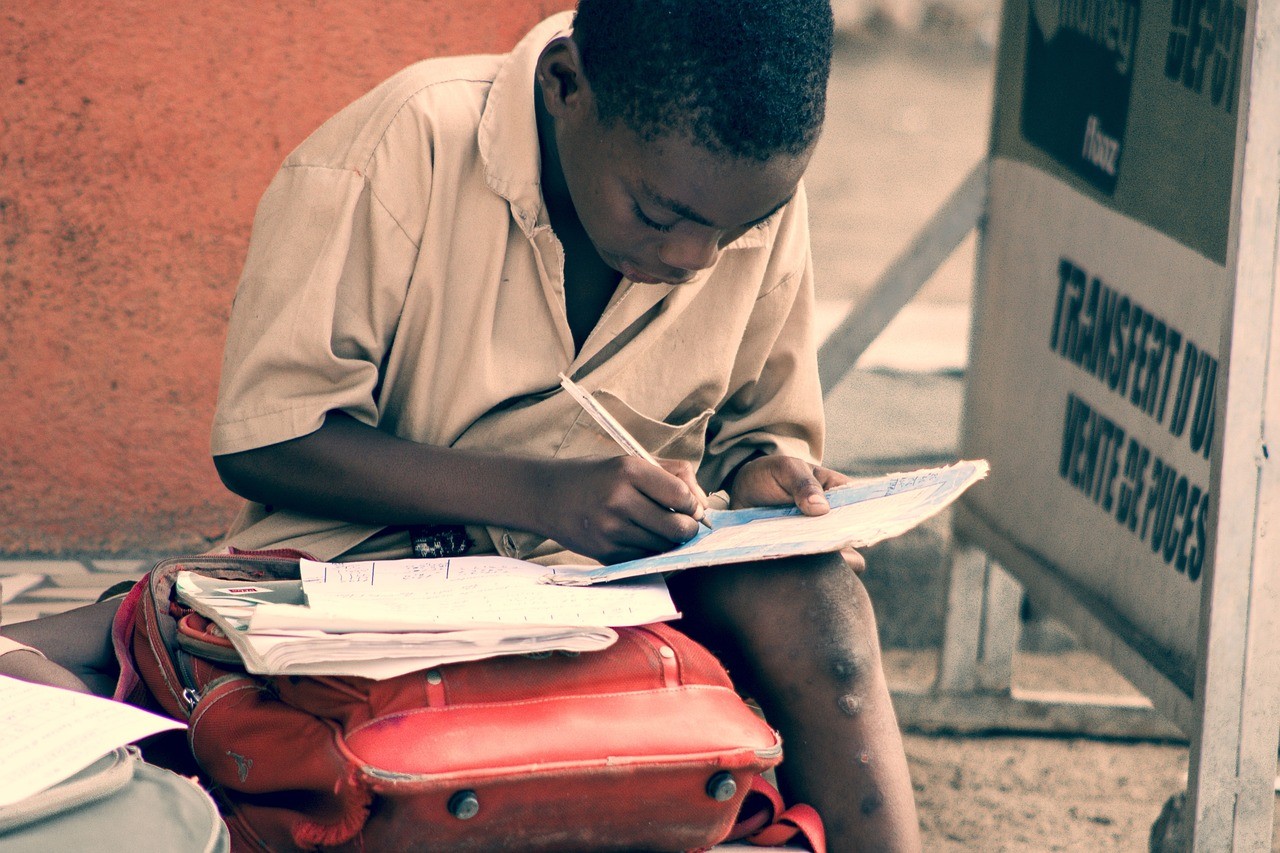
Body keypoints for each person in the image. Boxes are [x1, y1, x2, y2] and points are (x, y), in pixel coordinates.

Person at [3, 1, 922, 848]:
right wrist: (542, 495)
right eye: (659, 215)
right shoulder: (403, 148)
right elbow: (266, 436)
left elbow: (757, 435)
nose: (695, 258)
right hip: (352, 580)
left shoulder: (727, 190)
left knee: (819, 597)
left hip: (608, 593)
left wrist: (772, 473)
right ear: (565, 86)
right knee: (48, 672)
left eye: (738, 228)